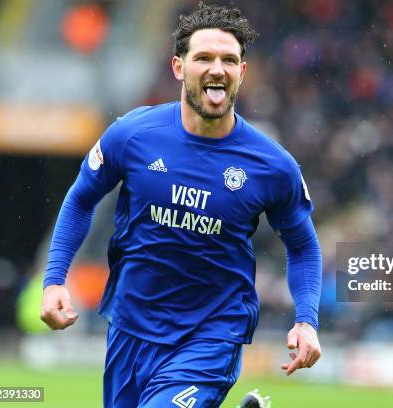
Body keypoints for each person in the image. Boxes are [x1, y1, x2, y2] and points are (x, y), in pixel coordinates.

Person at [39, 2, 322, 407]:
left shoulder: (273, 165)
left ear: (241, 72)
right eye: (204, 57)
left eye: (229, 60)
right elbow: (82, 197)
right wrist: (53, 281)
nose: (217, 69)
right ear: (178, 67)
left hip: (211, 334)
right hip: (131, 327)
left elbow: (303, 245)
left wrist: (307, 320)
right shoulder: (132, 135)